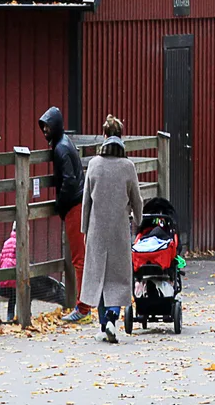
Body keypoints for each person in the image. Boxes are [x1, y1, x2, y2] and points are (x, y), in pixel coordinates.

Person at [80, 115, 142, 343]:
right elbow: (137, 200)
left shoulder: (94, 164)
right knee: (117, 276)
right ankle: (113, 319)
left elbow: (86, 201)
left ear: (104, 136)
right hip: (118, 230)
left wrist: (84, 229)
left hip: (97, 230)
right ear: (122, 137)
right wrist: (138, 220)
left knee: (99, 277)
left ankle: (102, 324)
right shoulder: (128, 167)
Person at [39, 106, 90, 322]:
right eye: (43, 128)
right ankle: (87, 302)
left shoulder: (60, 149)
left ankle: (83, 307)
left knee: (79, 258)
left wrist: (60, 203)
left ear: (56, 126)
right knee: (81, 256)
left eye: (47, 127)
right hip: (76, 204)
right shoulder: (65, 144)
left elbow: (69, 180)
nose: (45, 131)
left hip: (73, 206)